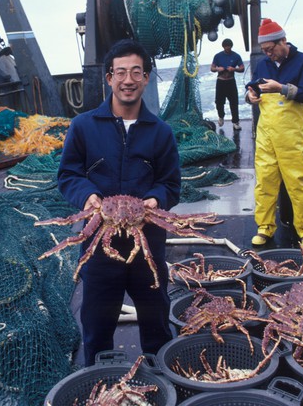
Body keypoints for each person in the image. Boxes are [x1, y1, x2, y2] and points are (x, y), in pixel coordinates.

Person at [57, 38, 181, 366]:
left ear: (146, 78)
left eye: (136, 72)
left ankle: (163, 379)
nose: (128, 80)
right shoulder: (83, 126)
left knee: (157, 324)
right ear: (109, 78)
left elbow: (170, 183)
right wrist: (88, 195)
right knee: (96, 328)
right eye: (120, 72)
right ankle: (96, 381)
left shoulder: (161, 132)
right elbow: (68, 174)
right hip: (99, 246)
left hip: (148, 244)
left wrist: (156, 199)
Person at [245, 18, 303, 249]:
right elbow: (252, 88)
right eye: (265, 51)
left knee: (297, 182)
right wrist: (250, 97)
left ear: (283, 41)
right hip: (266, 133)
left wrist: (281, 88)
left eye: (271, 49)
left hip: (292, 135)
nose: (269, 55)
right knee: (264, 182)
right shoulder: (264, 64)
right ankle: (264, 227)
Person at [210, 38, 245, 130]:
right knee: (219, 102)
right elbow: (212, 68)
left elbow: (242, 68)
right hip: (220, 82)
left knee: (234, 102)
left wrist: (234, 69)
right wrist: (218, 69)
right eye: (226, 47)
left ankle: (235, 122)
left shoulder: (236, 56)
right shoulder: (218, 56)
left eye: (229, 47)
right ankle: (221, 116)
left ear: (231, 47)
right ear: (223, 47)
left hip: (231, 81)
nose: (227, 49)